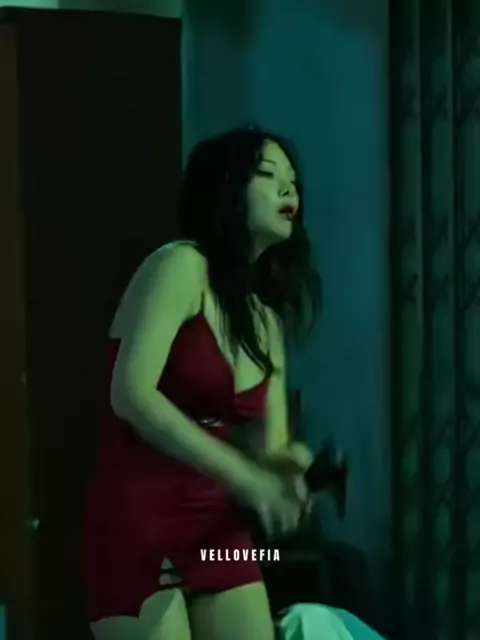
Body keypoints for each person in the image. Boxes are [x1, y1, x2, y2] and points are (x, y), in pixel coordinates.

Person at [82, 125, 322, 640]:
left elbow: (269, 449)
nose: (289, 189)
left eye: (293, 181)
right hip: (140, 521)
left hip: (217, 530)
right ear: (227, 188)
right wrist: (245, 478)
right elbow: (131, 394)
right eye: (268, 174)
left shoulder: (266, 320)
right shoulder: (180, 265)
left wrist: (291, 470)